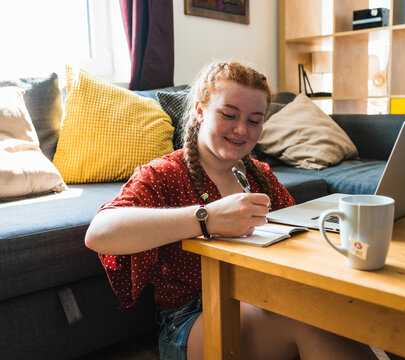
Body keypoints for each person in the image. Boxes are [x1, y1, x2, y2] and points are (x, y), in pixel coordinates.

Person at [85, 61, 378, 360]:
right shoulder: (163, 174)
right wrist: (206, 217)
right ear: (200, 110)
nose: (242, 130)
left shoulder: (259, 174)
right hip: (191, 321)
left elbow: (297, 239)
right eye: (228, 115)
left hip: (261, 295)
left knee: (342, 304)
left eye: (254, 120)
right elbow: (100, 233)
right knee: (308, 316)